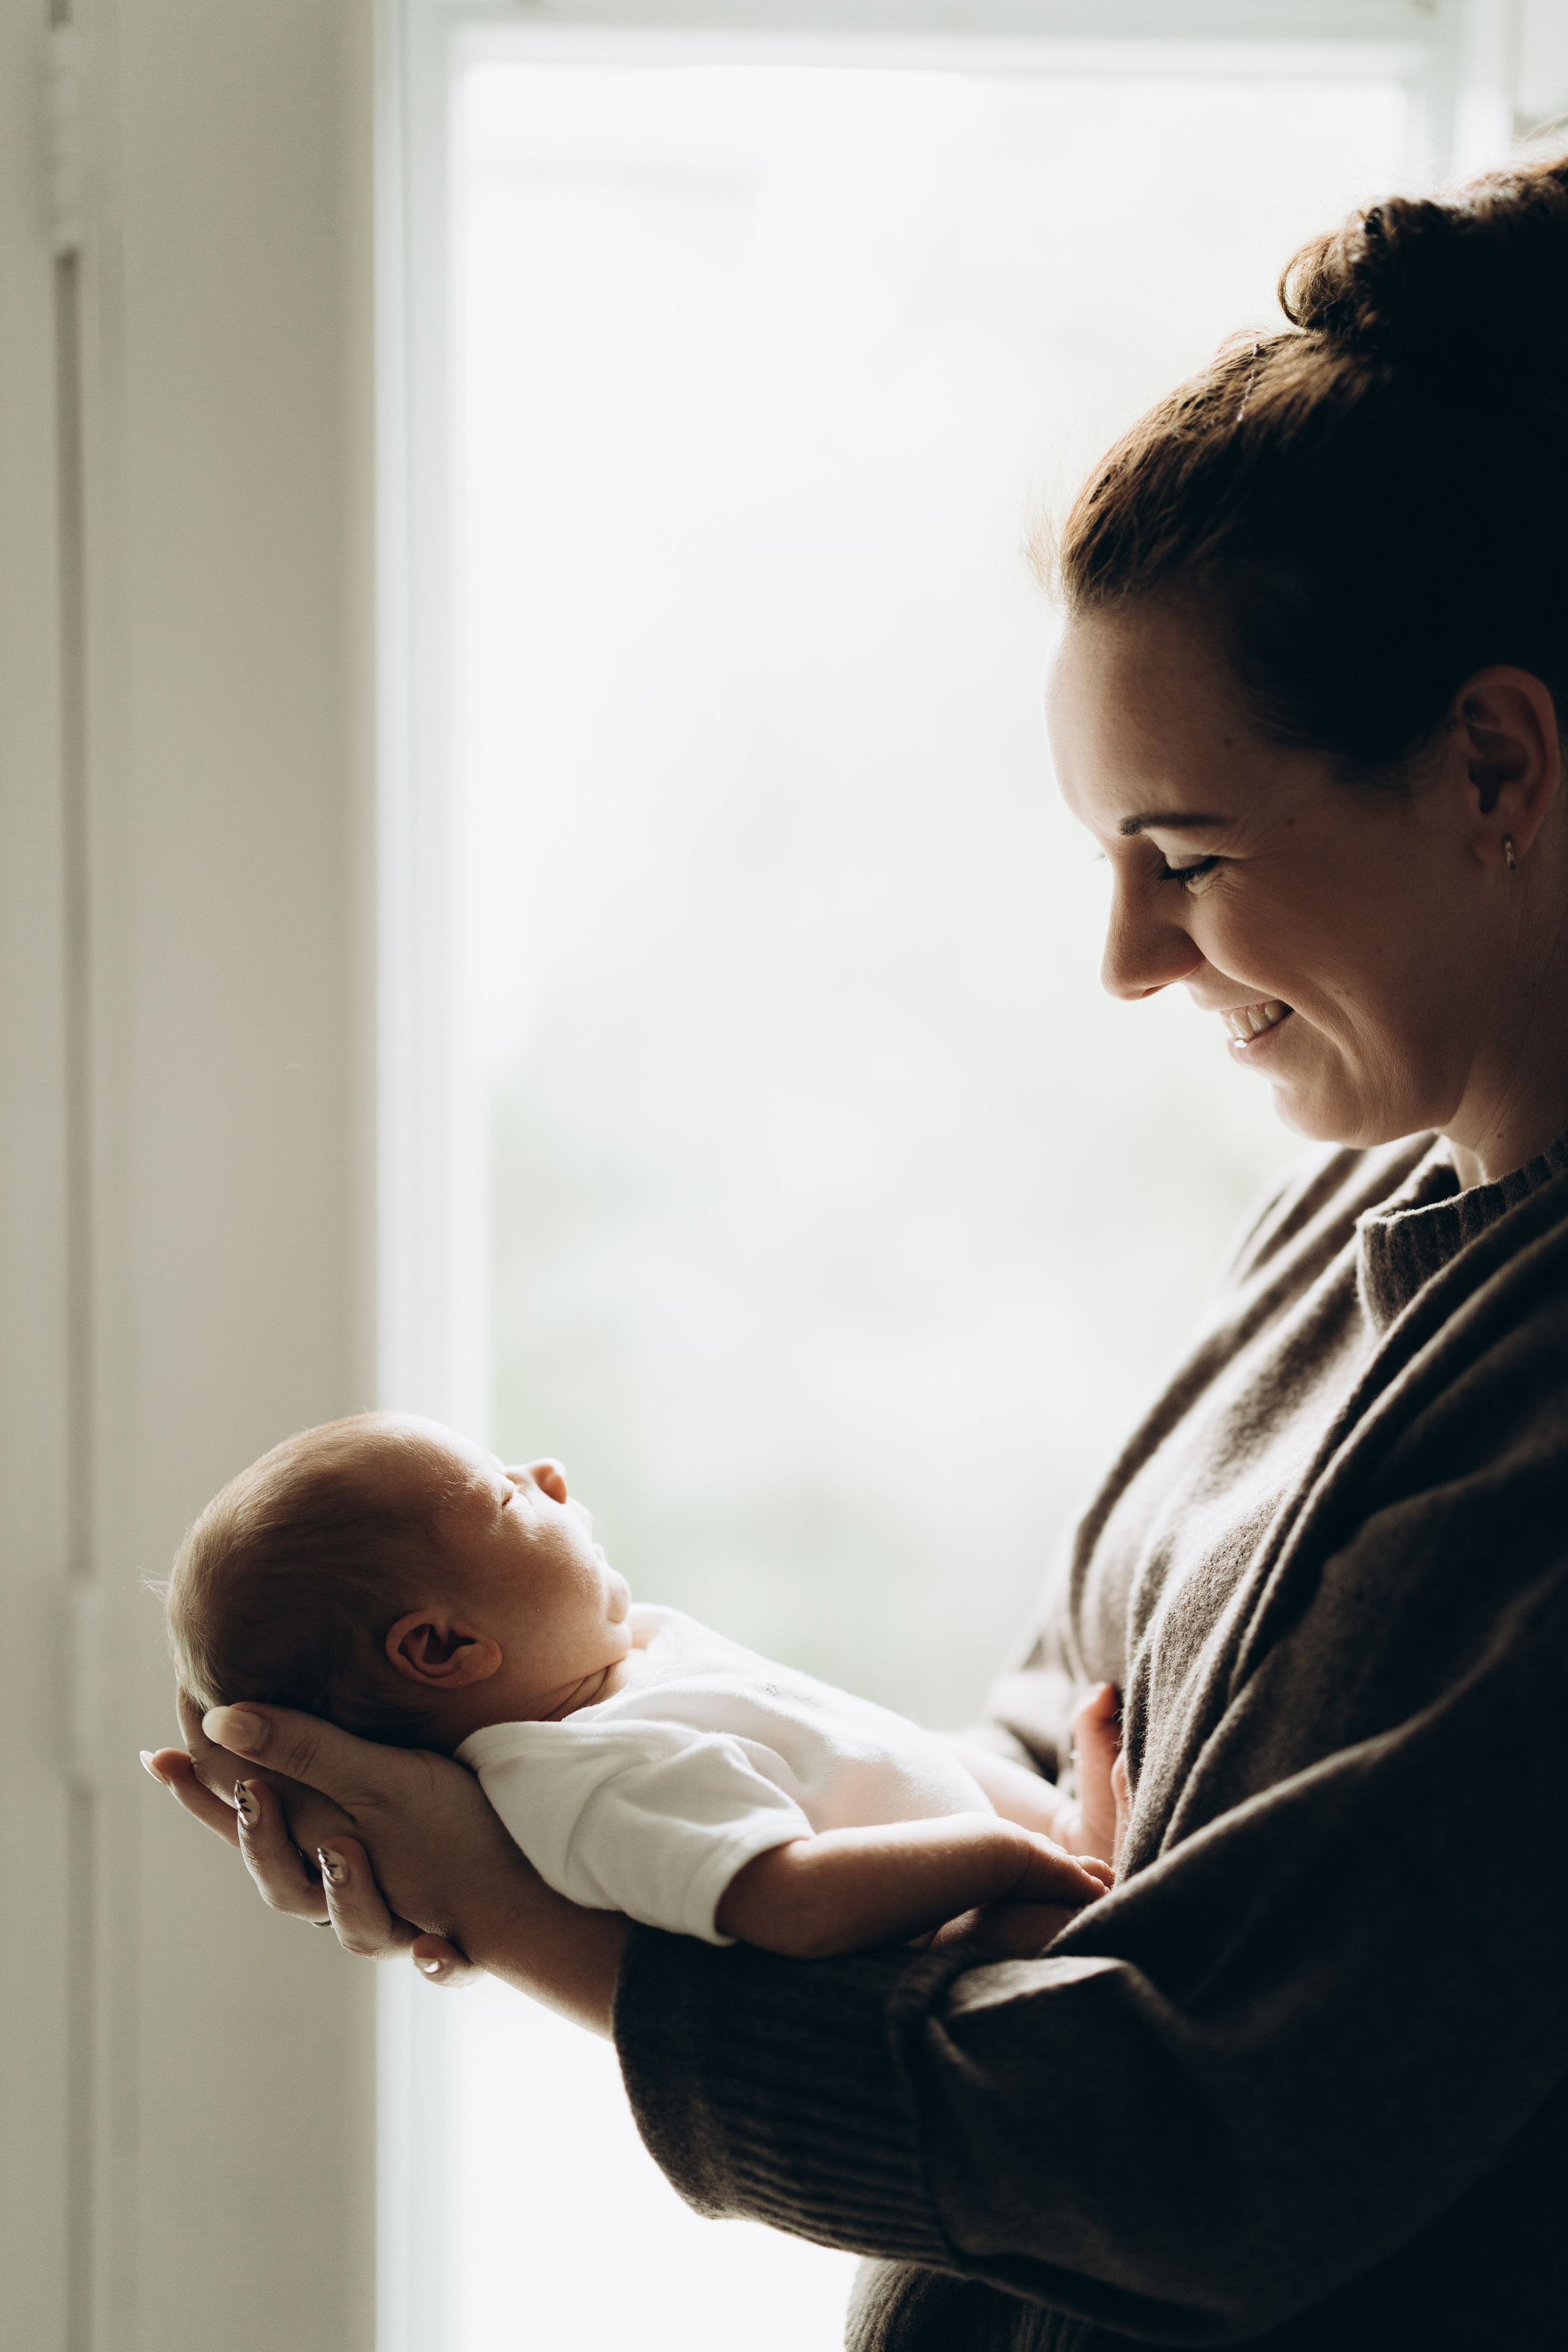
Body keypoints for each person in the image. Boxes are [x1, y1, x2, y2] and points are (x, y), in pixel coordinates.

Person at [147, 153, 1568, 2347]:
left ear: (1493, 761)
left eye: (1178, 854)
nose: (1120, 956)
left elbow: (1212, 2150)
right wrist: (610, 1785)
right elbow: (1054, 1781)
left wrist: (539, 1929)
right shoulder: (1343, 1222)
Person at [161, 1412, 1115, 1954]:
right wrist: (1001, 1857)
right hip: (989, 1961)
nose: (551, 1473)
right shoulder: (588, 1780)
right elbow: (789, 1902)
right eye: (507, 1494)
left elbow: (869, 1756)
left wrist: (1051, 1826)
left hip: (1040, 1876)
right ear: (445, 1648)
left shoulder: (633, 1671)